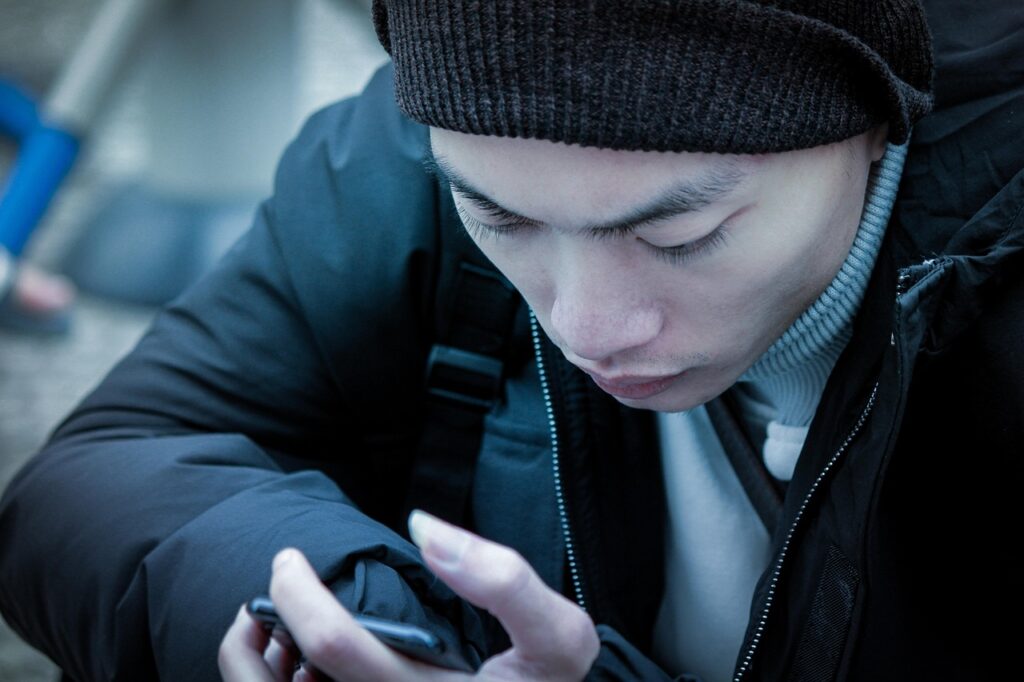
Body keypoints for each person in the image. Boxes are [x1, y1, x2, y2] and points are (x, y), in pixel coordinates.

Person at [1, 1, 1022, 680]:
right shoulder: (410, 156)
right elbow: (95, 472)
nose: (586, 328)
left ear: (877, 123)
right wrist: (347, 614)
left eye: (681, 234)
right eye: (501, 222)